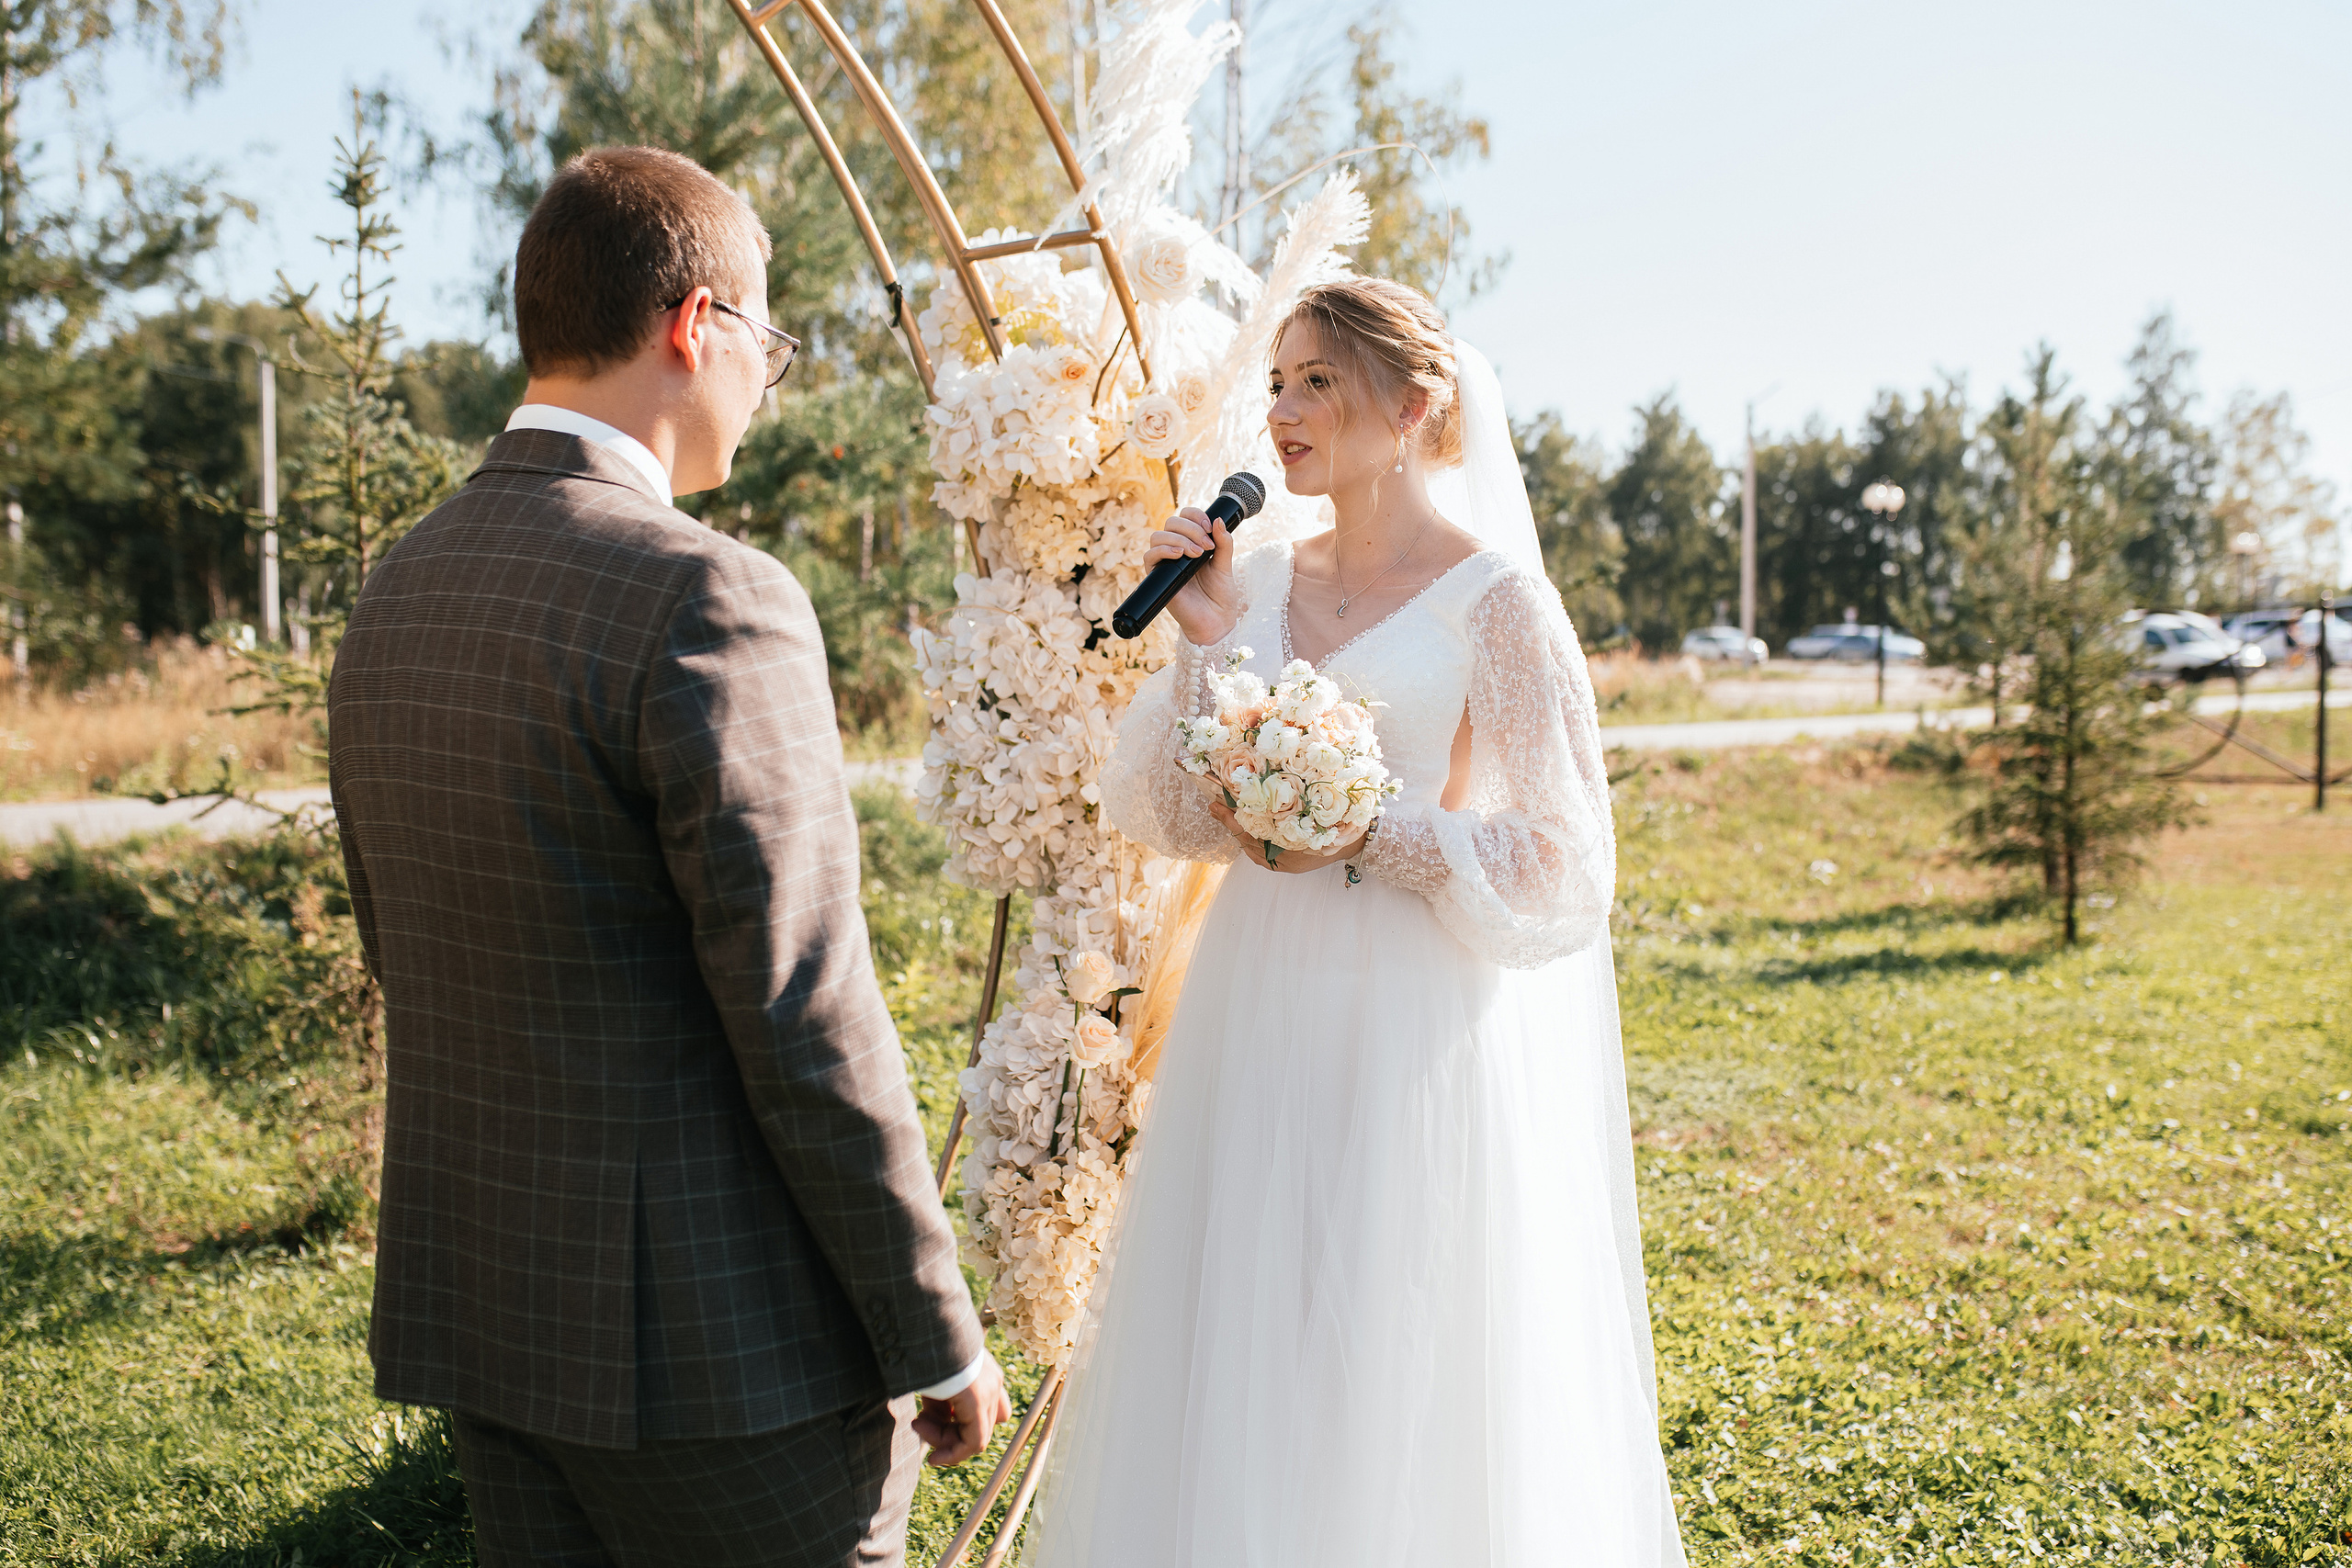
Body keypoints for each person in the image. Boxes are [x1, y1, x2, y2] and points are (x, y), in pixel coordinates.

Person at [327, 145, 1011, 1567]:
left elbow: (408, 947)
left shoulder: (401, 585)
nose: (766, 382)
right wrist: (935, 1330)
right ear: (695, 325)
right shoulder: (711, 595)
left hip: (494, 1324)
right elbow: (805, 1010)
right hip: (728, 1357)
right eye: (767, 339)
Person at [1032, 277, 1687, 1564]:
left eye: (1317, 382)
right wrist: (1206, 640)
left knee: (1386, 1331)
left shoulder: (1499, 605)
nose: (1280, 411)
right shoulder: (1255, 579)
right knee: (1250, 1322)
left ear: (1416, 405)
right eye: (1278, 382)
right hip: (1257, 992)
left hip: (1408, 1009)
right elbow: (1176, 809)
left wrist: (1375, 830)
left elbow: (1566, 866)